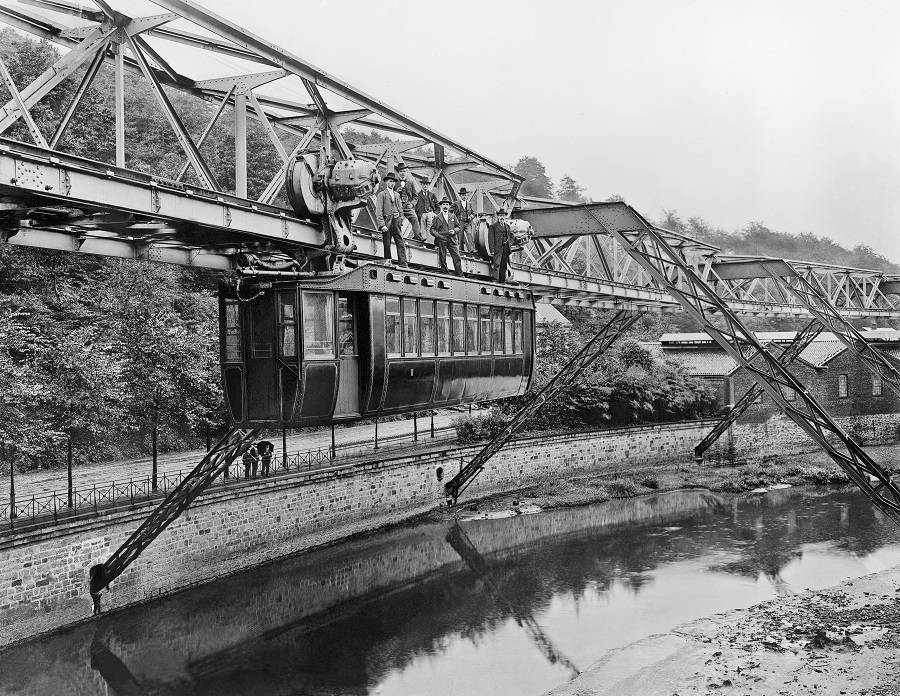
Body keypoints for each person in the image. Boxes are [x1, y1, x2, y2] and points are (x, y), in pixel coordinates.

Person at [374, 171, 409, 267]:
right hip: (387, 222)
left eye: (393, 182)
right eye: (390, 181)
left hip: (396, 222)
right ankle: (388, 261)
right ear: (386, 182)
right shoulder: (382, 194)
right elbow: (378, 211)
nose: (392, 183)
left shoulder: (397, 194)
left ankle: (403, 263)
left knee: (400, 242)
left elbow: (400, 208)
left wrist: (401, 218)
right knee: (387, 243)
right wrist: (382, 225)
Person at [430, 198, 463, 276]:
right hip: (442, 239)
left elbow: (458, 227)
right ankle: (445, 273)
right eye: (444, 204)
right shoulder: (437, 217)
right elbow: (432, 229)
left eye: (447, 205)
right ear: (441, 206)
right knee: (443, 257)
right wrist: (438, 236)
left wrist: (454, 231)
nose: (445, 206)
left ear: (449, 206)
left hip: (452, 239)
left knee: (457, 257)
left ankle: (460, 274)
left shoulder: (453, 216)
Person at [396, 164, 423, 241]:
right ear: (398, 172)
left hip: (407, 205)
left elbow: (415, 196)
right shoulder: (395, 181)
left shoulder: (410, 182)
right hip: (397, 206)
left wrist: (412, 204)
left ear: (406, 172)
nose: (402, 173)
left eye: (404, 171)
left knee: (414, 217)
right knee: (397, 220)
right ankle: (398, 236)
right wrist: (397, 191)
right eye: (401, 171)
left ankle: (417, 236)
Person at [489, 208, 512, 282]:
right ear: (498, 217)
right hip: (497, 249)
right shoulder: (493, 226)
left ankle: (502, 281)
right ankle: (495, 280)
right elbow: (491, 239)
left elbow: (510, 236)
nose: (502, 217)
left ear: (505, 217)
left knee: (504, 265)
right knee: (496, 264)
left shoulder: (507, 226)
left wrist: (509, 245)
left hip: (506, 248)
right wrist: (491, 250)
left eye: (503, 215)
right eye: (500, 215)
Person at [454, 187, 474, 253]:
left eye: (465, 195)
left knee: (469, 233)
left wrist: (471, 216)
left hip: (467, 222)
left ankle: (472, 249)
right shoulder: (456, 203)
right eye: (462, 195)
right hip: (460, 222)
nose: (464, 196)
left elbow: (473, 213)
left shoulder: (469, 204)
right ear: (460, 196)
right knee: (460, 236)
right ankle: (460, 250)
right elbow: (451, 211)